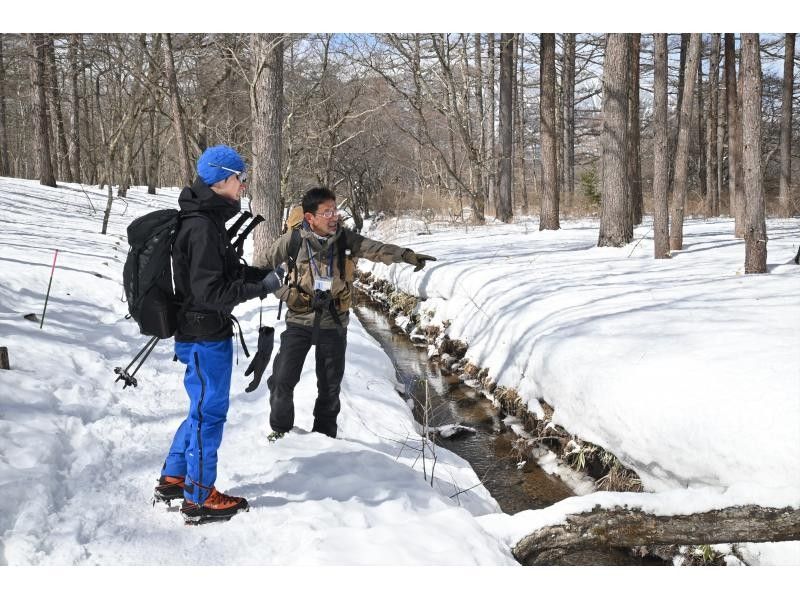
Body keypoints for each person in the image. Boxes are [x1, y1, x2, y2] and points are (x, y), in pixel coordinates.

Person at [153, 145, 284, 523]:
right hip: (204, 335)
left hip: (200, 332)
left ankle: (174, 477)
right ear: (222, 180)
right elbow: (212, 294)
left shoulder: (205, 219)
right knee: (209, 414)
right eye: (241, 179)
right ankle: (199, 497)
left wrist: (262, 277)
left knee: (198, 409)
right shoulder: (201, 227)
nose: (244, 185)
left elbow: (221, 276)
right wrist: (262, 289)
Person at [263, 187, 435, 440]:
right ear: (310, 218)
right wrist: (287, 295)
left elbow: (375, 248)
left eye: (336, 210)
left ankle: (325, 437)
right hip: (299, 320)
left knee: (330, 387)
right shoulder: (293, 240)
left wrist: (405, 255)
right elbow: (263, 271)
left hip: (334, 320)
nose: (335, 216)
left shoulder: (345, 239)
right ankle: (281, 431)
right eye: (327, 212)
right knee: (281, 380)